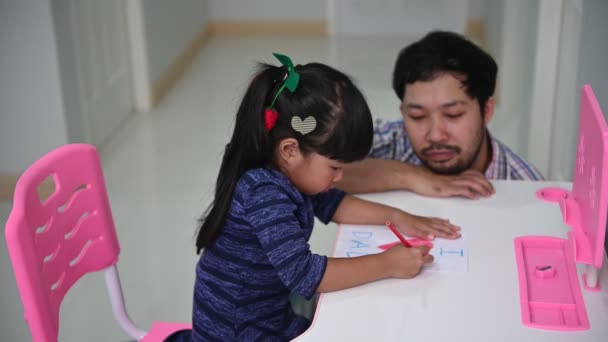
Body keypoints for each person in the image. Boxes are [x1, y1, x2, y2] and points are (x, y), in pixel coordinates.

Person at [190, 53, 461, 341]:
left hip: (270, 312)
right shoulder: (263, 191)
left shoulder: (288, 171)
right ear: (290, 150)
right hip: (238, 331)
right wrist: (387, 264)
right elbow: (304, 274)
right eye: (335, 167)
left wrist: (397, 217)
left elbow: (334, 203)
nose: (340, 177)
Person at [337, 31, 544, 198]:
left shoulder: (526, 185)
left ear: (486, 110)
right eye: (417, 116)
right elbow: (312, 168)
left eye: (453, 114)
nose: (435, 135)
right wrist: (412, 176)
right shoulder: (394, 139)